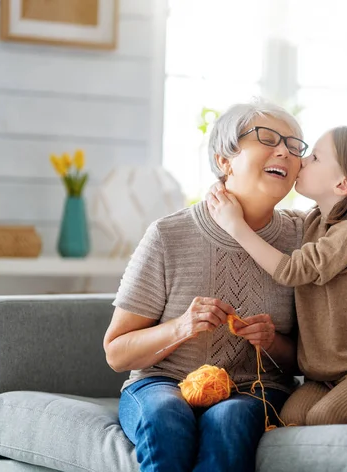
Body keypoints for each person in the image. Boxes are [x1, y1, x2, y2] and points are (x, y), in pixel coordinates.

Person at [103, 100, 309, 472]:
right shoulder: (169, 234)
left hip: (256, 390)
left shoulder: (302, 238)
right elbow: (117, 353)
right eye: (268, 138)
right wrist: (183, 326)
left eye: (295, 146)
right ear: (224, 160)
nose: (285, 150)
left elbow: (308, 360)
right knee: (167, 414)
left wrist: (271, 341)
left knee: (229, 420)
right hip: (160, 384)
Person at [207, 126, 347, 426]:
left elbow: (292, 270)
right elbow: (275, 222)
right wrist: (229, 191)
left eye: (315, 158)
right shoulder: (313, 222)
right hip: (322, 376)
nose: (301, 160)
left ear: (342, 184)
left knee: (325, 416)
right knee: (289, 421)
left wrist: (236, 227)